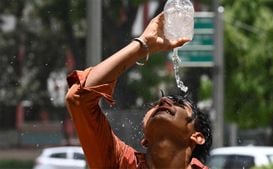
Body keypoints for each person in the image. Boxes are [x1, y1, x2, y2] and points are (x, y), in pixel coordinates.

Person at [65, 12, 212, 169]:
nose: (164, 101)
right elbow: (79, 98)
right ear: (145, 139)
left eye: (179, 103)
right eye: (153, 107)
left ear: (197, 137)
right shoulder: (120, 162)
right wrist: (142, 45)